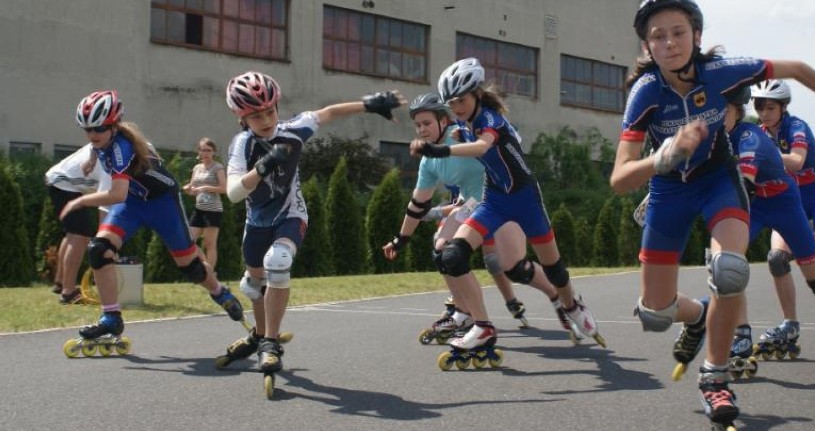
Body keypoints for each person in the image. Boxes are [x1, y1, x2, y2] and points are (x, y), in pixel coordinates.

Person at [609, 0, 815, 426]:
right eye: (657, 37)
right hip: (668, 191)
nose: (669, 43)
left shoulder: (720, 73)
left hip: (719, 183)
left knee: (730, 271)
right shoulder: (645, 93)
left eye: (678, 32)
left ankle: (715, 377)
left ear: (696, 35)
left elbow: (795, 67)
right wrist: (662, 157)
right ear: (647, 46)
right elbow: (620, 178)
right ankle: (699, 315)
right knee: (654, 314)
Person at [409, 58, 604, 361]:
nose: (456, 107)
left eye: (461, 100)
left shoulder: (490, 119)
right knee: (452, 254)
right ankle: (483, 326)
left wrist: (443, 148)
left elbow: (483, 147)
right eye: (451, 102)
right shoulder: (463, 122)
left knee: (555, 269)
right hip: (494, 200)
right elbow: (460, 137)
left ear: (475, 94)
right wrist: (450, 138)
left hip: (526, 200)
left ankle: (571, 306)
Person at [223, 71, 404, 375]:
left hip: (291, 215)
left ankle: (270, 342)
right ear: (241, 117)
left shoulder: (294, 130)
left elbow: (329, 113)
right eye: (256, 116)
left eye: (270, 111)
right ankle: (259, 333)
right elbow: (233, 193)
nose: (266, 120)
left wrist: (370, 104)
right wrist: (263, 167)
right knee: (254, 285)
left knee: (277, 262)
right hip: (256, 222)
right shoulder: (242, 145)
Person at [383, 92, 579, 342]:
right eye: (418, 125)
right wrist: (401, 240)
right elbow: (417, 205)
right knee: (443, 250)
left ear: (444, 121)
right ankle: (468, 315)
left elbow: (501, 143)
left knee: (514, 268)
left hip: (504, 201)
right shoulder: (429, 162)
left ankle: (558, 297)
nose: (421, 130)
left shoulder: (463, 135)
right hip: (473, 206)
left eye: (427, 123)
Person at [59, 90, 246, 342]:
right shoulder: (104, 140)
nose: (92, 135)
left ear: (113, 125)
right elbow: (97, 148)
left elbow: (116, 194)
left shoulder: (122, 148)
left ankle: (219, 291)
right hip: (134, 205)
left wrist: (81, 200)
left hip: (162, 204)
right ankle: (111, 318)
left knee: (190, 267)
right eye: (87, 129)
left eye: (98, 128)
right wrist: (91, 160)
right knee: (98, 250)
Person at [724, 87, 815, 376]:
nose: (766, 114)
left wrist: (761, 152)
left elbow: (796, 161)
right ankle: (789, 323)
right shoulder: (753, 131)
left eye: (771, 108)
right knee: (776, 259)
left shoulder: (796, 127)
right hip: (776, 200)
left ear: (782, 108)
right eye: (761, 108)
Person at [45, 144, 111, 304]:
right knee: (80, 235)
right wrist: (104, 242)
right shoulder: (110, 167)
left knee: (73, 232)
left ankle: (60, 283)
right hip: (62, 183)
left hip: (59, 180)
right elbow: (104, 208)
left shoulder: (111, 147)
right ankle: (68, 293)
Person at [182, 138, 226, 271]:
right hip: (199, 209)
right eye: (203, 150)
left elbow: (224, 188)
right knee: (188, 241)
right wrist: (188, 188)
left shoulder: (218, 167)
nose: (206, 153)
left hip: (213, 210)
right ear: (199, 152)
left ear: (214, 152)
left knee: (209, 244)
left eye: (209, 150)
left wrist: (205, 188)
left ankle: (209, 271)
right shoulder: (197, 168)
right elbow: (193, 187)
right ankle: (206, 267)